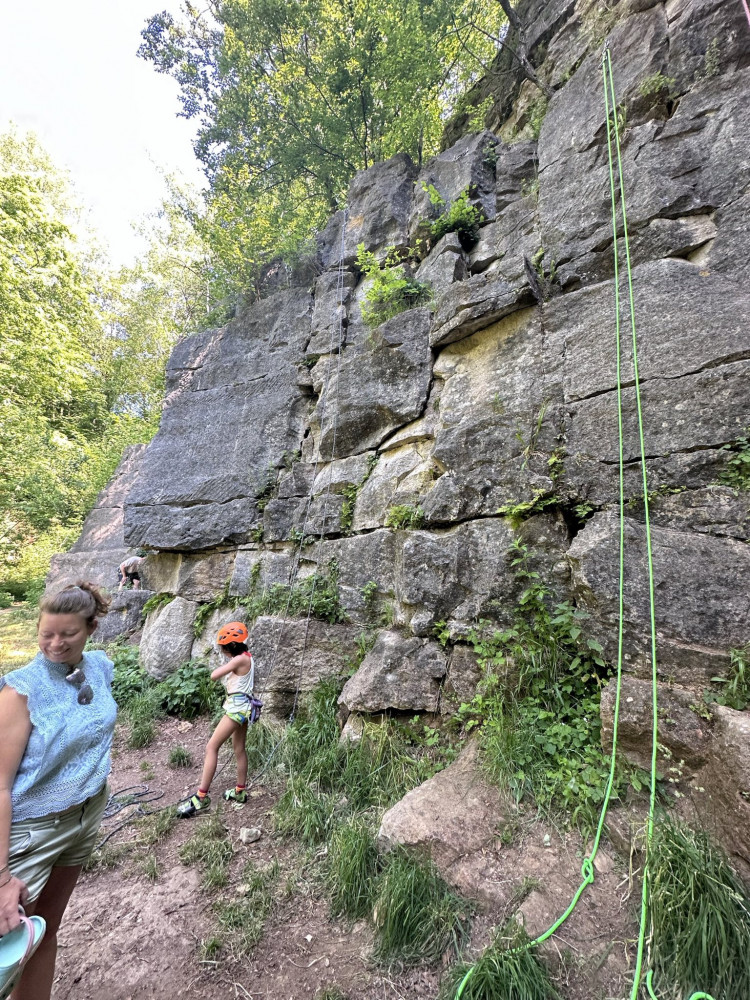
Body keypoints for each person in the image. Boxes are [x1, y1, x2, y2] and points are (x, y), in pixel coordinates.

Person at [0, 582, 116, 1000]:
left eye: (68, 634)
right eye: (46, 633)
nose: (55, 643)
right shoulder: (20, 692)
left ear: (91, 628)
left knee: (44, 932)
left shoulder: (99, 668)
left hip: (84, 819)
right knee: (7, 951)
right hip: (31, 831)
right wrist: (1, 878)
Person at [177, 622, 259, 819]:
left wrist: (224, 666)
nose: (222, 651)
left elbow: (214, 676)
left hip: (235, 711)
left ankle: (201, 797)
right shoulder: (248, 657)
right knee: (239, 749)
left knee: (211, 747)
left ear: (232, 646)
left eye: (223, 648)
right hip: (244, 709)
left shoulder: (239, 660)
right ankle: (240, 792)